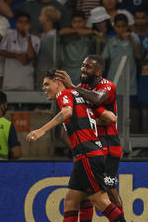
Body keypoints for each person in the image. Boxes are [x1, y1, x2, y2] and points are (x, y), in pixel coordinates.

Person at [26, 69, 125, 222]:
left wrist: (41, 130)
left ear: (58, 83)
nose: (44, 88)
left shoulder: (63, 94)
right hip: (91, 153)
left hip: (86, 154)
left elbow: (66, 112)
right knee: (71, 201)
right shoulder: (80, 95)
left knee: (100, 201)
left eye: (47, 84)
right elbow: (111, 117)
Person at [55, 54, 124, 221]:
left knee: (109, 192)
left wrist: (72, 87)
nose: (83, 69)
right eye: (83, 65)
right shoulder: (81, 88)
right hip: (90, 148)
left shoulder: (107, 86)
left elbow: (99, 99)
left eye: (88, 67)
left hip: (108, 146)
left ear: (99, 71)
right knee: (81, 197)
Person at [0, 12, 41, 91]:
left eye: (26, 22)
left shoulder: (35, 39)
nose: (23, 25)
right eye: (20, 22)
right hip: (9, 83)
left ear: (30, 24)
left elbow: (30, 56)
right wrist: (16, 55)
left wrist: (28, 36)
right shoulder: (9, 35)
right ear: (16, 24)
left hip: (26, 84)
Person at [59, 10, 96, 85]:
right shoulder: (66, 35)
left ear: (85, 22)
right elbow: (61, 32)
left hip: (83, 71)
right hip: (67, 71)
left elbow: (92, 33)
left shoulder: (89, 36)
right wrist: (79, 31)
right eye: (75, 22)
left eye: (80, 21)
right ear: (71, 23)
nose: (77, 24)